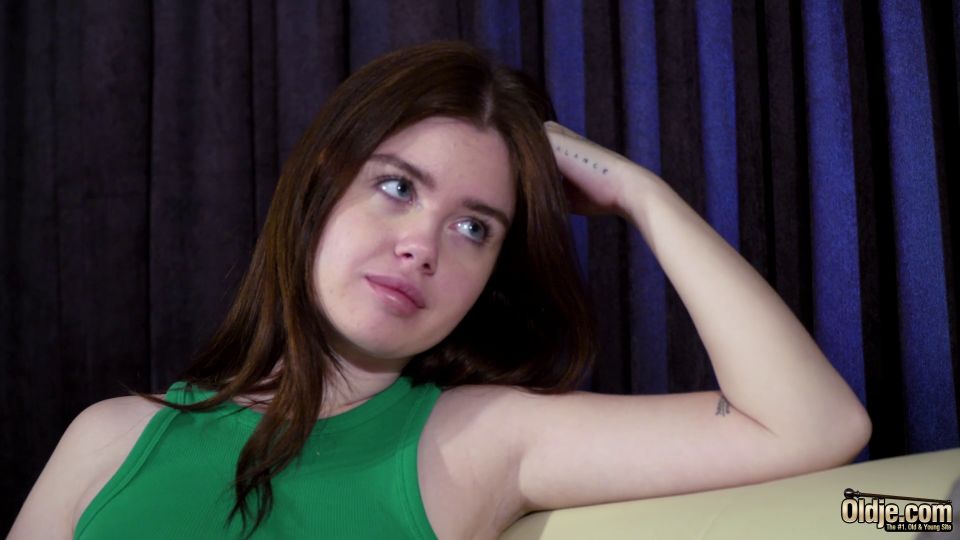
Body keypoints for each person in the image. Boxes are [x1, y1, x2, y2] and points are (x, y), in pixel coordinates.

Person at [10, 41, 871, 539]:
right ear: (319, 188)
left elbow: (816, 425)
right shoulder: (110, 438)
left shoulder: (484, 438)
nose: (421, 246)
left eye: (474, 228)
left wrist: (640, 194)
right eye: (396, 186)